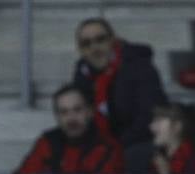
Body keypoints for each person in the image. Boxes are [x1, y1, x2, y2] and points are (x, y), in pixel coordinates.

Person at [71, 16, 167, 153]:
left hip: (139, 144)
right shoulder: (83, 74)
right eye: (86, 44)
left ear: (112, 40)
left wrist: (113, 147)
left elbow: (148, 118)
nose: (94, 47)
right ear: (80, 50)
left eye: (100, 39)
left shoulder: (139, 67)